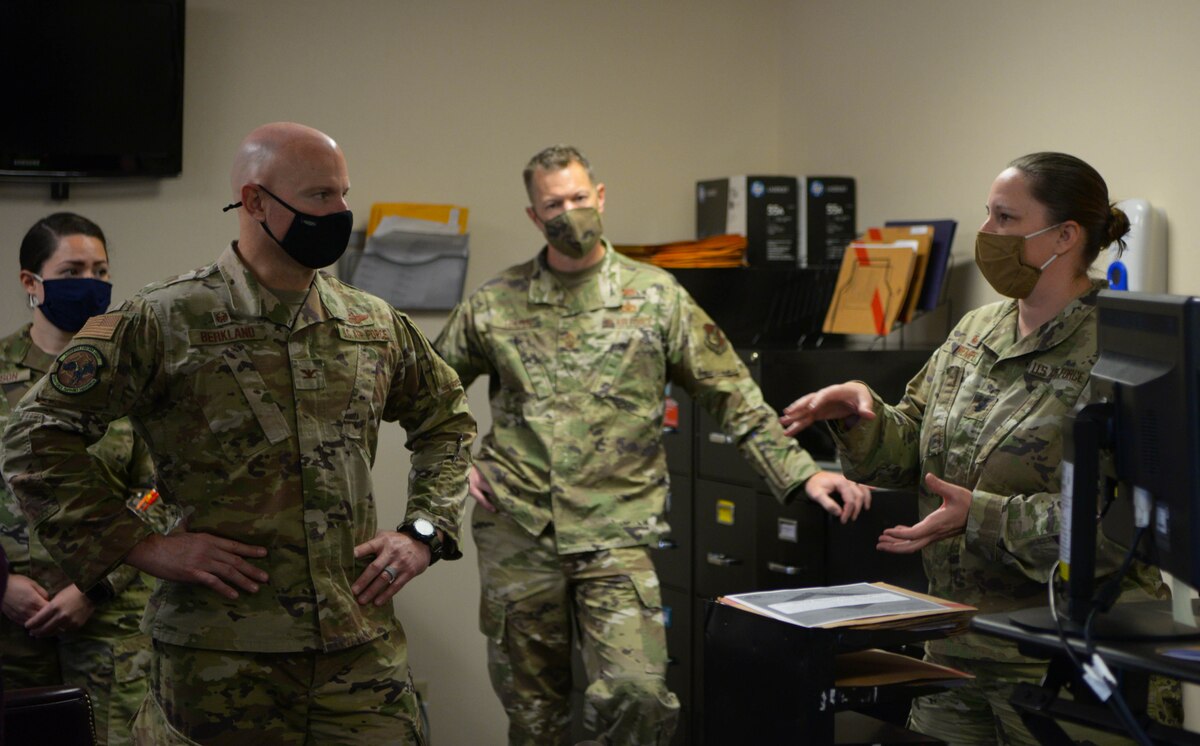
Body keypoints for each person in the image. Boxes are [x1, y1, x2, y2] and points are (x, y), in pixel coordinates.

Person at [2, 123, 476, 745]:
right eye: (319, 197)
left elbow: (447, 419)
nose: (340, 213)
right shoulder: (164, 319)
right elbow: (35, 436)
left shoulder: (371, 322)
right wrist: (140, 547)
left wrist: (424, 532)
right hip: (219, 659)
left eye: (343, 195)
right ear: (256, 202)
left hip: (356, 652)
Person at [434, 144, 871, 745]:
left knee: (638, 696)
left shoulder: (656, 296)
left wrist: (802, 474)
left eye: (579, 197)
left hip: (615, 534)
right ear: (534, 217)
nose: (569, 212)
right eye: (553, 203)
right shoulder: (493, 304)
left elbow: (731, 393)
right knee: (534, 717)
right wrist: (454, 465)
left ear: (601, 198)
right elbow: (426, 396)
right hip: (519, 534)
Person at [780, 152, 1177, 744]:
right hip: (958, 647)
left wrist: (980, 517)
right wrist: (859, 412)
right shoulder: (976, 331)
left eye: (1006, 218)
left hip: (1071, 663)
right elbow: (910, 449)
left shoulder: (1121, 346)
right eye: (986, 215)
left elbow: (1127, 527)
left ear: (1065, 235)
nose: (987, 234)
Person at [0, 212, 166, 746]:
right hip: (8, 621)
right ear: (32, 282)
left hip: (108, 618)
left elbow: (160, 490)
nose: (91, 283)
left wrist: (94, 585)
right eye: (73, 269)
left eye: (100, 270)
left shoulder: (132, 373)